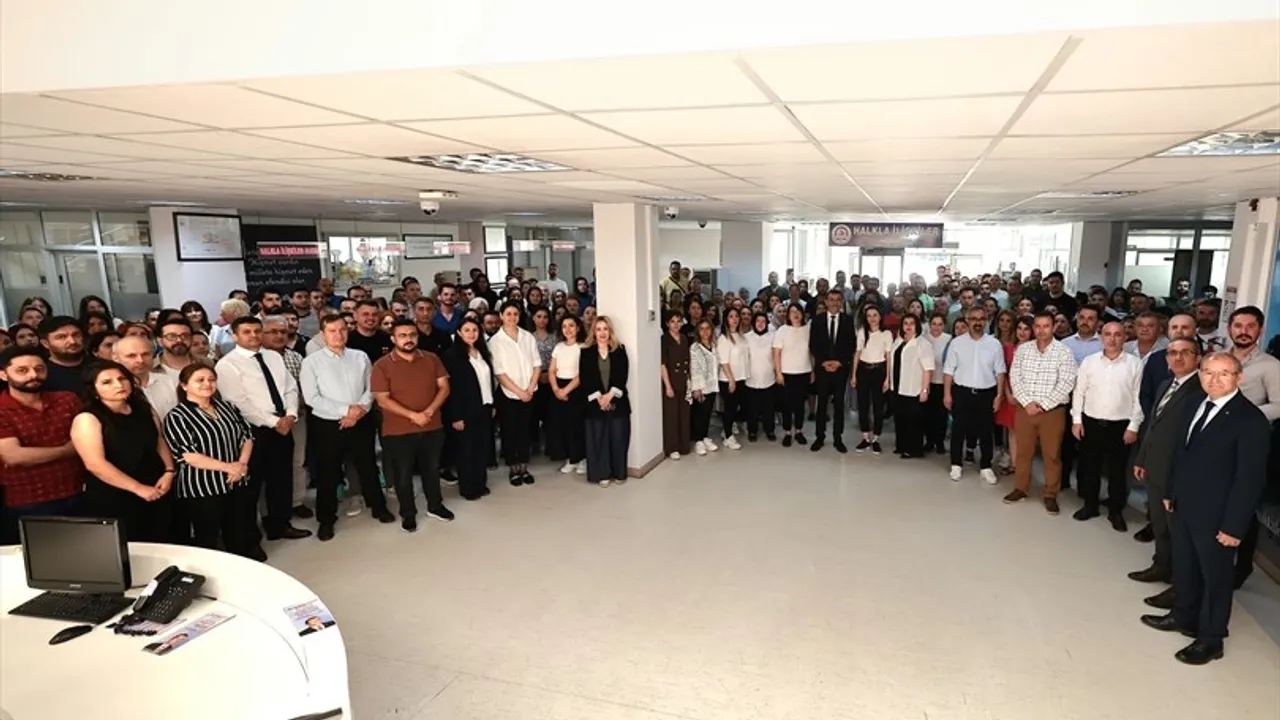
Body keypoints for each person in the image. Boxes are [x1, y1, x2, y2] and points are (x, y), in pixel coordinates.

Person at [1140, 353, 1270, 666]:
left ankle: (1211, 639)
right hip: (1184, 505)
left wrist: (1234, 526)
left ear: (1239, 377)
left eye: (1224, 373)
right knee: (1185, 566)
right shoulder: (1194, 404)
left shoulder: (1251, 420)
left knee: (1216, 578)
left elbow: (1249, 479)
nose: (1214, 380)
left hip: (1219, 514)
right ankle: (1183, 616)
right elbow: (1180, 453)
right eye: (1208, 372)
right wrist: (1170, 492)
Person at [214, 316, 308, 544]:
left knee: (281, 478)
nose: (253, 336)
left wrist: (290, 415)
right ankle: (250, 538)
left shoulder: (273, 356)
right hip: (252, 430)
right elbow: (238, 402)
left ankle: (280, 525)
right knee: (251, 485)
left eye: (257, 331)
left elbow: (290, 388)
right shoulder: (227, 365)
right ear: (235, 336)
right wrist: (274, 422)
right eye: (247, 332)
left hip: (284, 425)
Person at [301, 314, 394, 541]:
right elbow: (312, 398)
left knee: (368, 466)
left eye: (342, 329)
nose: (338, 335)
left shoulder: (360, 356)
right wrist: (345, 411)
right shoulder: (311, 362)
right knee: (328, 473)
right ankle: (326, 520)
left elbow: (371, 388)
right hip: (328, 424)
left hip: (361, 420)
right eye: (332, 331)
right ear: (323, 335)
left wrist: (359, 410)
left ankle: (378, 507)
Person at [1129, 337, 1205, 603]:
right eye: (1172, 353)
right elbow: (1154, 425)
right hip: (1155, 467)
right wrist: (1142, 458)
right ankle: (1161, 565)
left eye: (1185, 352)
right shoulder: (1166, 384)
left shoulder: (1200, 391)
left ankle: (1180, 587)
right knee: (1160, 524)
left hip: (1177, 474)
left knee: (1179, 533)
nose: (1178, 358)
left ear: (1198, 357)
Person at [162, 364, 259, 559]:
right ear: (184, 385)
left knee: (238, 533)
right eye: (200, 380)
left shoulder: (227, 407)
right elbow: (188, 455)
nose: (207, 384)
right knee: (207, 538)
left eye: (211, 379)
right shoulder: (177, 416)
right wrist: (228, 467)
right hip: (203, 487)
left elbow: (247, 436)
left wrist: (241, 465)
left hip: (236, 481)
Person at [70, 361, 174, 542]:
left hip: (156, 486)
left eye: (122, 378)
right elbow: (95, 464)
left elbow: (158, 440)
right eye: (107, 382)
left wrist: (169, 471)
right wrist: (138, 488)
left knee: (161, 541)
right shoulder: (87, 418)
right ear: (93, 389)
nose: (118, 385)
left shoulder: (144, 408)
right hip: (115, 493)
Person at [372, 319, 453, 533]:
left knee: (432, 469)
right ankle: (408, 514)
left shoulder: (432, 359)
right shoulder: (381, 365)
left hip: (431, 425)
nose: (408, 339)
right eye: (403, 335)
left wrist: (429, 411)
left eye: (412, 334)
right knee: (403, 474)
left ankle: (435, 506)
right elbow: (382, 400)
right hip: (398, 430)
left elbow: (444, 388)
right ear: (393, 339)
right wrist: (413, 415)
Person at [0, 347, 84, 544]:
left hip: (79, 491)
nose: (33, 375)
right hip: (29, 499)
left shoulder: (67, 400)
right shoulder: (2, 409)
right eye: (22, 370)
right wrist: (68, 450)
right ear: (3, 375)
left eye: (39, 369)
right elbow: (13, 456)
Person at [1223, 306, 1280, 588]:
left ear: (1259, 330)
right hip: (1216, 444)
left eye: (1250, 326)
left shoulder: (1271, 365)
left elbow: (1279, 405)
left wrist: (1245, 417)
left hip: (1249, 443)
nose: (1243, 331)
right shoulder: (1219, 359)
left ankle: (1241, 567)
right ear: (1229, 329)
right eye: (1238, 326)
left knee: (1243, 506)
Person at [1071, 321, 1144, 531]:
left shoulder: (1135, 364)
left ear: (1125, 337)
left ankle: (1116, 510)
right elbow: (1079, 392)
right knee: (1090, 467)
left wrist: (1133, 426)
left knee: (1117, 471)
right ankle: (1090, 505)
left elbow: (1138, 397)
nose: (1112, 339)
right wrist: (1077, 421)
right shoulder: (1089, 362)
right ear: (1101, 336)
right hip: (1091, 422)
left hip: (1120, 425)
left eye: (1117, 334)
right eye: (1107, 334)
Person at [1004, 312, 1077, 512]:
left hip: (1052, 411)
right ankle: (1020, 488)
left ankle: (1050, 494)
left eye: (1046, 326)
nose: (1041, 330)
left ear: (1053, 327)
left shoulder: (1064, 352)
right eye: (1037, 326)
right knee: (1023, 451)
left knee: (1051, 454)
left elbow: (1066, 382)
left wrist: (1043, 405)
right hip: (1025, 409)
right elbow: (1015, 377)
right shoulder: (1023, 350)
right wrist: (1027, 403)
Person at [944, 306, 1007, 483]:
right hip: (961, 392)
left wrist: (999, 395)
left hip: (986, 393)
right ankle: (956, 464)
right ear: (967, 321)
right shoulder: (957, 343)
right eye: (973, 319)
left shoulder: (994, 344)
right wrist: (947, 394)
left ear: (986, 321)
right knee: (958, 429)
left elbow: (1000, 372)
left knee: (986, 430)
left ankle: (986, 466)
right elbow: (948, 370)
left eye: (981, 319)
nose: (977, 322)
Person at [261, 316, 311, 520]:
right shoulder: (256, 359)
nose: (279, 336)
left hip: (296, 417)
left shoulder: (295, 357)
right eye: (273, 332)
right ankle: (269, 511)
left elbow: (302, 387)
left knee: (297, 461)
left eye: (282, 332)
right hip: (266, 421)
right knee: (269, 467)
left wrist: (295, 411)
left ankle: (296, 501)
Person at [442, 318, 495, 501]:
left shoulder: (482, 352)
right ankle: (468, 488)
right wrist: (455, 416)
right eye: (467, 330)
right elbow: (451, 389)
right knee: (466, 450)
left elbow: (488, 380)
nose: (471, 333)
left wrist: (492, 404)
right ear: (459, 333)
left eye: (474, 330)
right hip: (464, 411)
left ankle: (480, 482)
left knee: (481, 448)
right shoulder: (451, 356)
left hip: (484, 406)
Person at [490, 301, 541, 484]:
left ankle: (524, 466)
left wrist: (530, 388)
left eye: (515, 314)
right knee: (509, 431)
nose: (512, 317)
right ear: (501, 316)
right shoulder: (495, 341)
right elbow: (499, 373)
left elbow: (537, 364)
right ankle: (513, 467)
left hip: (529, 391)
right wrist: (519, 392)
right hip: (508, 394)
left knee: (525, 430)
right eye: (508, 314)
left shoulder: (528, 337)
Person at [581, 316, 631, 487]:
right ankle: (602, 473)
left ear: (610, 331)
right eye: (598, 329)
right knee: (598, 439)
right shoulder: (586, 353)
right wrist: (600, 398)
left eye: (605, 329)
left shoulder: (620, 350)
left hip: (617, 401)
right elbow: (586, 378)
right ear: (593, 332)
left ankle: (619, 472)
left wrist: (610, 395)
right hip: (595, 403)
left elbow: (622, 375)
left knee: (618, 438)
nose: (602, 333)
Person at [809, 289, 854, 453]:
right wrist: (823, 362)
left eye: (837, 300)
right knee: (821, 404)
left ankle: (838, 438)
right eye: (831, 299)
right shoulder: (817, 320)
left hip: (840, 369)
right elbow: (813, 344)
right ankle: (819, 437)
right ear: (826, 302)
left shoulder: (848, 320)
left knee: (839, 405)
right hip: (822, 368)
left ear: (841, 302)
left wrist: (839, 362)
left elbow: (851, 344)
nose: (834, 303)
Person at [889, 314, 934, 459]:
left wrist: (925, 389)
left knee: (913, 421)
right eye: (905, 323)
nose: (908, 326)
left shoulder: (923, 344)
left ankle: (913, 449)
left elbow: (928, 369)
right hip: (897, 386)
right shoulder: (898, 341)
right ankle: (901, 446)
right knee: (900, 418)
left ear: (917, 326)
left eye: (912, 323)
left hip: (913, 388)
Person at [548, 315, 587, 474]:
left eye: (571, 325)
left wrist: (566, 390)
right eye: (564, 326)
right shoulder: (559, 347)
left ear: (578, 327)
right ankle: (570, 458)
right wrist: (556, 389)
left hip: (575, 389)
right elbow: (552, 370)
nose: (568, 329)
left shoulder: (583, 347)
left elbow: (582, 373)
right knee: (562, 425)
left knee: (577, 426)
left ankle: (582, 458)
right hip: (558, 387)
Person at [852, 304, 893, 454]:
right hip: (863, 370)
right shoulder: (862, 331)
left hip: (879, 371)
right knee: (863, 404)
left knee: (878, 406)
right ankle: (865, 437)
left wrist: (888, 378)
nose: (872, 319)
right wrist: (854, 374)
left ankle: (876, 438)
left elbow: (888, 356)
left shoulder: (886, 333)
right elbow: (857, 353)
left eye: (875, 315)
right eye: (869, 316)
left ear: (880, 316)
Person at [771, 304, 811, 448]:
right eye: (792, 312)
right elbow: (776, 353)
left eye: (798, 311)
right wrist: (778, 373)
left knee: (800, 405)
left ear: (803, 314)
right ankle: (787, 432)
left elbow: (811, 353)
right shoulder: (782, 330)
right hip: (786, 373)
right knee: (786, 405)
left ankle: (799, 431)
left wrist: (812, 370)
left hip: (804, 372)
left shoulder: (807, 330)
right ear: (788, 315)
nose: (795, 314)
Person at [113, 335, 179, 419]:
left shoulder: (172, 381)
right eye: (131, 356)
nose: (140, 360)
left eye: (145, 354)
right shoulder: (113, 389)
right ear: (115, 358)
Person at [657, 309, 693, 459]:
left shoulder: (684, 338)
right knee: (671, 415)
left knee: (684, 413)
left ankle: (684, 444)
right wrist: (668, 386)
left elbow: (688, 361)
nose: (676, 324)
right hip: (671, 379)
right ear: (667, 324)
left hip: (683, 379)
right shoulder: (664, 340)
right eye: (672, 321)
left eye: (678, 321)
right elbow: (662, 364)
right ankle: (672, 447)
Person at [715, 307, 749, 451]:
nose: (734, 319)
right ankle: (728, 437)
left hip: (741, 377)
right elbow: (724, 362)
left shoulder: (741, 336)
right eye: (731, 316)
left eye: (736, 316)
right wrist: (731, 380)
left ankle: (726, 430)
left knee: (735, 408)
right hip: (728, 379)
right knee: (729, 408)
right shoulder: (723, 339)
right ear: (726, 320)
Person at [992, 311, 1021, 473]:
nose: (1004, 324)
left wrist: (1008, 393)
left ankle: (1016, 461)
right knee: (1000, 424)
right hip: (996, 387)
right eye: (1001, 320)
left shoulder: (1017, 345)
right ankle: (1001, 453)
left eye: (1008, 320)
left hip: (1014, 389)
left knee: (1014, 427)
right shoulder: (992, 341)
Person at [689, 319, 720, 455]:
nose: (705, 331)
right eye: (702, 329)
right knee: (699, 414)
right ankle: (698, 440)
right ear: (698, 331)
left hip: (712, 385)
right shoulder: (695, 348)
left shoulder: (714, 345)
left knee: (707, 413)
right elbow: (694, 369)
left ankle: (705, 436)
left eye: (708, 328)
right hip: (701, 387)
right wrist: (697, 388)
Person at [922, 315, 951, 454]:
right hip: (927, 383)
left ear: (944, 326)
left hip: (942, 382)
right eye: (934, 324)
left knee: (941, 415)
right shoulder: (923, 339)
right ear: (929, 325)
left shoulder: (949, 339)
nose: (936, 327)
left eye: (940, 324)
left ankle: (940, 442)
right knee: (927, 414)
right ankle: (929, 440)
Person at [37, 316, 86, 393]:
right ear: (45, 344)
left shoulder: (100, 365)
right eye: (62, 337)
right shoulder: (43, 375)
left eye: (76, 335)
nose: (72, 341)